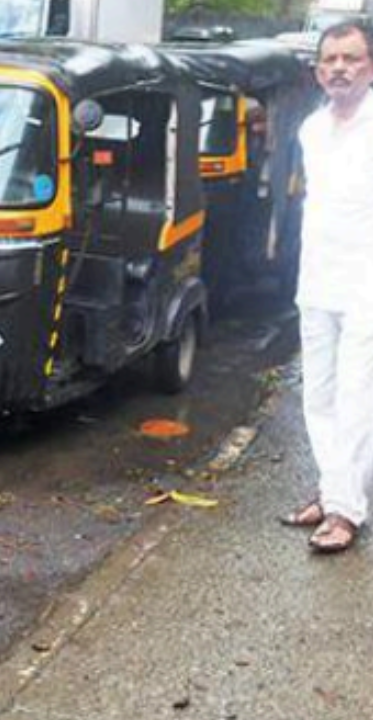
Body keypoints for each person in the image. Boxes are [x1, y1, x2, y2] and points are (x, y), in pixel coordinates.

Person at [280, 21, 373, 553]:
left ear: (369, 66)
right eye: (330, 59)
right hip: (316, 278)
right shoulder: (311, 130)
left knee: (357, 397)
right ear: (317, 71)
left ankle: (344, 511)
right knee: (318, 395)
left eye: (351, 58)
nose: (339, 68)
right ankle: (331, 488)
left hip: (366, 284)